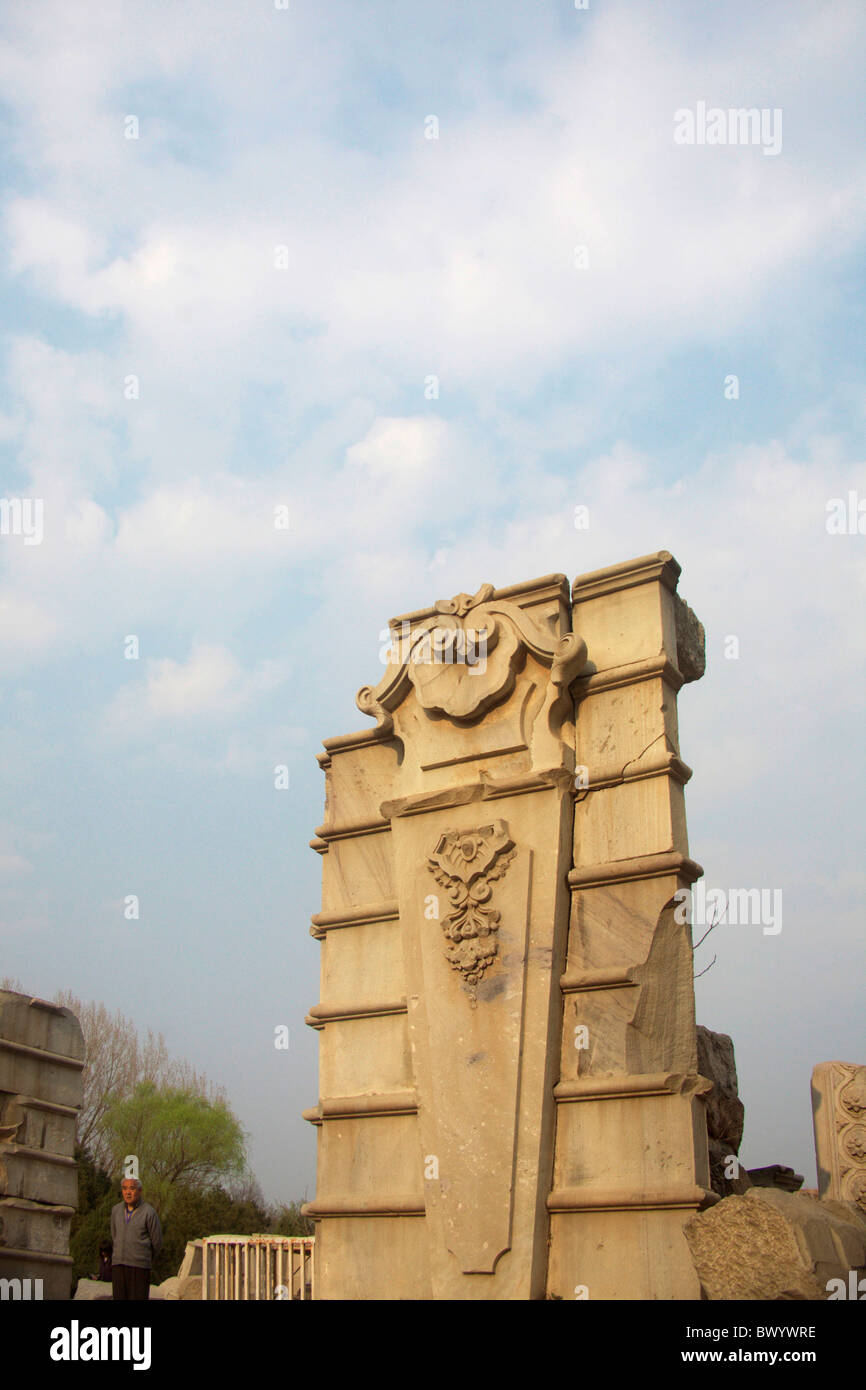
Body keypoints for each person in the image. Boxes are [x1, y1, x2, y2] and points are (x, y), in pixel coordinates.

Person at [109, 1177, 163, 1300]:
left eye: (132, 1188)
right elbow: (114, 1235)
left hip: (139, 1267)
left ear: (139, 1190)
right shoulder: (116, 1210)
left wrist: (144, 1257)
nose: (128, 1192)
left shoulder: (149, 1212)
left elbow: (157, 1242)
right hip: (119, 1264)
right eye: (124, 1188)